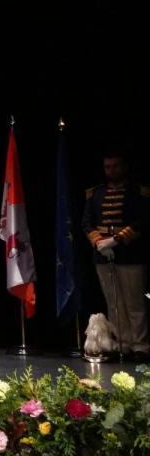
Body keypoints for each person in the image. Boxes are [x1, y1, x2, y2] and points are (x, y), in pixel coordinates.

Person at [81, 152, 149, 362]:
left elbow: (143, 221)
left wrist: (117, 240)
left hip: (130, 253)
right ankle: (122, 344)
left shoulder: (138, 192)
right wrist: (99, 242)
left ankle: (140, 345)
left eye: (115, 166)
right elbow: (86, 222)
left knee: (134, 302)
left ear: (124, 167)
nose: (111, 171)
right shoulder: (95, 194)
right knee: (114, 301)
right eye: (107, 167)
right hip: (102, 254)